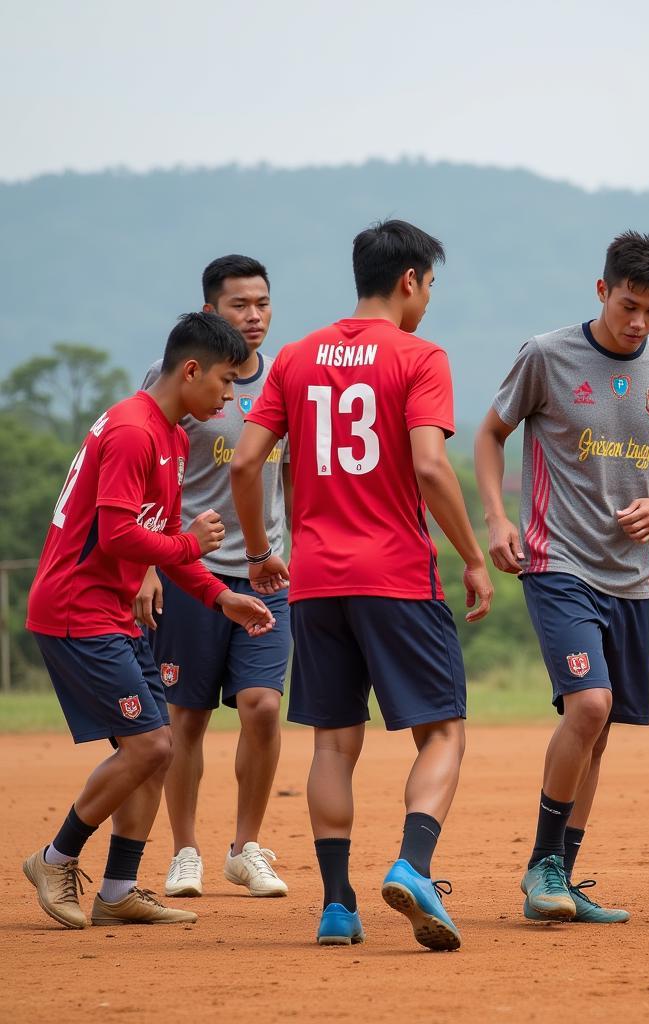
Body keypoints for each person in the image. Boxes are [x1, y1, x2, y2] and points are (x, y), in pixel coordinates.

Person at [230, 219, 493, 950]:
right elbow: (433, 468)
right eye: (429, 286)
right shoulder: (420, 356)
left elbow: (246, 464)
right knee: (442, 730)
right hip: (397, 575)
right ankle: (413, 864)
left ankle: (338, 906)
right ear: (410, 280)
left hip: (313, 580)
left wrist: (260, 552)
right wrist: (471, 556)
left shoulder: (294, 357)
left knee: (334, 744)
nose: (428, 301)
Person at [475, 230, 649, 924]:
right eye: (629, 305)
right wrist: (498, 520)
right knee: (588, 706)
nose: (639, 322)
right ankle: (542, 866)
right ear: (602, 290)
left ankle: (562, 880)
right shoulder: (546, 355)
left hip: (630, 577)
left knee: (600, 727)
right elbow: (489, 436)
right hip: (556, 561)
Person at [22, 312, 276, 929]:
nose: (226, 397)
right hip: (77, 611)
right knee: (152, 744)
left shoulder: (169, 433)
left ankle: (117, 890)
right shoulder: (136, 430)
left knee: (155, 751)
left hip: (111, 613)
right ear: (190, 370)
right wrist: (192, 545)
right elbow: (118, 535)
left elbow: (157, 537)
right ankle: (54, 858)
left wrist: (220, 597)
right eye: (221, 381)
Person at [135, 255, 291, 900]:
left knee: (262, 707)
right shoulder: (175, 380)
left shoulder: (285, 380)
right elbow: (141, 478)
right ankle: (186, 852)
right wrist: (148, 564)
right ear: (209, 312)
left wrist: (299, 548)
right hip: (186, 573)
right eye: (238, 305)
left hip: (268, 575)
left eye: (262, 303)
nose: (253, 316)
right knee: (187, 718)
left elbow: (298, 476)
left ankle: (245, 847)